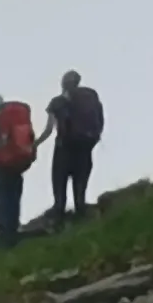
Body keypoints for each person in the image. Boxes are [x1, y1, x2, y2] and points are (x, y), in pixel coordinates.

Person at [0, 90, 37, 246]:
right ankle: (14, 229)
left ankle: (5, 236)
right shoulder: (15, 117)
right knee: (14, 198)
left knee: (0, 200)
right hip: (17, 165)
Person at [47, 69, 104, 224]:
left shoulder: (58, 101)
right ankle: (80, 210)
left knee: (60, 180)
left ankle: (59, 213)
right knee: (80, 182)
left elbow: (49, 128)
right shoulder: (91, 97)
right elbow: (100, 118)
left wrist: (35, 144)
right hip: (86, 144)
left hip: (64, 146)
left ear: (64, 83)